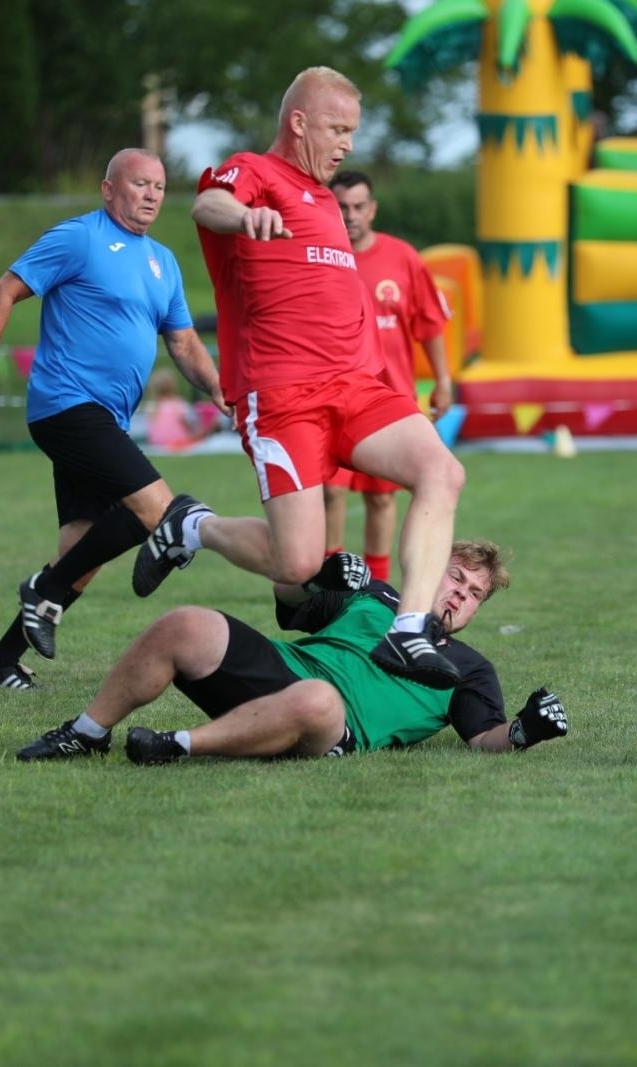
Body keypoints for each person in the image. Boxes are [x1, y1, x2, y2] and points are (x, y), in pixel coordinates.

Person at [132, 66, 467, 690]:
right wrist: (242, 218)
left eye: (353, 133)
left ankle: (407, 631)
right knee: (297, 560)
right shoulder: (255, 172)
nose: (347, 145)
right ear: (299, 122)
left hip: (356, 387)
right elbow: (209, 202)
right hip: (283, 397)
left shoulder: (325, 201)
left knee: (442, 470)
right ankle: (192, 525)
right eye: (338, 129)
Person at [0, 148, 222, 689]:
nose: (151, 195)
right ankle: (42, 591)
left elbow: (183, 341)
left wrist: (217, 387)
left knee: (81, 553)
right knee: (157, 511)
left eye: (159, 187)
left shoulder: (163, 260)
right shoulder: (80, 238)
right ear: (108, 190)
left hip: (105, 421)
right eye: (139, 184)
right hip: (67, 405)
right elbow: (4, 290)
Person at [15, 540, 569, 762]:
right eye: (454, 577)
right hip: (283, 668)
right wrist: (317, 578)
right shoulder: (377, 597)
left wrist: (524, 731)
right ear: (429, 569)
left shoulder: (469, 668)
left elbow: (484, 739)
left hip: (329, 725)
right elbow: (288, 604)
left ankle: (180, 746)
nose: (459, 594)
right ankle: (85, 733)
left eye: (473, 593)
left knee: (320, 700)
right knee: (185, 622)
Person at [321, 169, 454, 583]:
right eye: (341, 207)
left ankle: (376, 584)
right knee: (331, 490)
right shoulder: (318, 256)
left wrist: (443, 381)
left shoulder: (403, 258)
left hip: (389, 399)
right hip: (333, 396)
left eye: (359, 207)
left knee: (382, 499)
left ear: (372, 209)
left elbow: (430, 325)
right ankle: (328, 582)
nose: (350, 215)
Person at [142, 366, 208, 451]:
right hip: (179, 443)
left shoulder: (151, 407)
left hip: (156, 443)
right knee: (204, 432)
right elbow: (190, 427)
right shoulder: (178, 405)